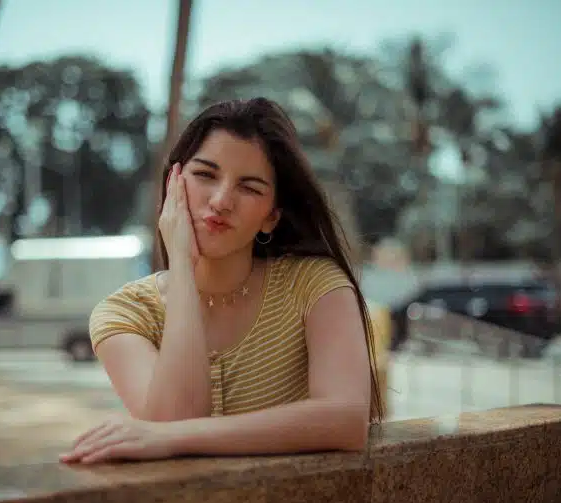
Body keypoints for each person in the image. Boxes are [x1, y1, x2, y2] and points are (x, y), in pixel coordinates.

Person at [60, 97, 382, 465]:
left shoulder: (314, 285)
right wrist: (181, 264)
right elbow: (174, 417)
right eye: (205, 175)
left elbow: (345, 420)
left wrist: (170, 437)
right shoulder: (125, 314)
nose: (221, 200)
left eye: (250, 187)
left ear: (271, 217)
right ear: (173, 184)